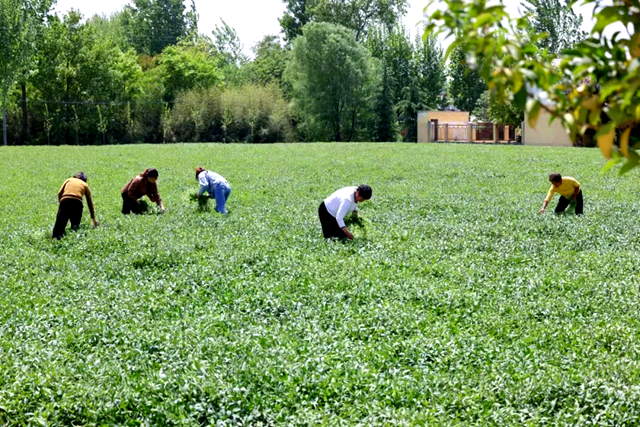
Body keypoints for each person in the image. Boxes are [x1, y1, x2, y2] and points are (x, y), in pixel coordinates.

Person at [52, 172, 98, 239]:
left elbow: (59, 193)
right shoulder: (85, 185)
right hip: (77, 203)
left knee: (60, 223)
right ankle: (74, 237)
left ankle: (56, 237)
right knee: (75, 224)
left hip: (65, 200)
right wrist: (93, 218)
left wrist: (61, 204)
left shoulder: (69, 180)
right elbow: (89, 202)